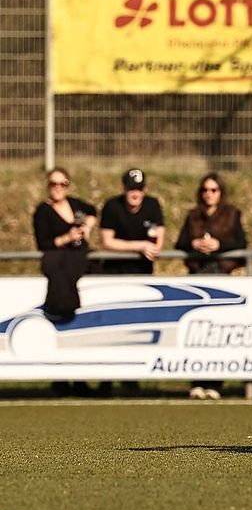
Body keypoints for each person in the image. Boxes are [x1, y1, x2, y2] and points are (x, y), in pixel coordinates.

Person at [175, 172, 248, 400]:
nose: (209, 194)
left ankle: (215, 382)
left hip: (221, 276)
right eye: (205, 190)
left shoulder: (231, 214)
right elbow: (180, 243)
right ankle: (197, 382)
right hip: (198, 277)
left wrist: (219, 244)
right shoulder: (193, 216)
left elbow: (241, 243)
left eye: (214, 190)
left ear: (220, 192)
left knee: (217, 332)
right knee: (197, 332)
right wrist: (194, 244)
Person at [98, 167, 166, 396]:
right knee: (111, 330)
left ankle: (131, 379)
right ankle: (106, 380)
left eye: (138, 189)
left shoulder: (152, 206)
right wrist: (138, 246)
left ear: (144, 190)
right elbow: (107, 242)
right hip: (114, 276)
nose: (134, 193)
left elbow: (157, 242)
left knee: (136, 330)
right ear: (123, 189)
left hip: (141, 277)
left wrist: (147, 246)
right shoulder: (112, 206)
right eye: (130, 189)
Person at [33, 167, 97, 396]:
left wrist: (87, 227)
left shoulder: (76, 204)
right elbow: (43, 243)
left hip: (80, 261)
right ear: (48, 186)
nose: (58, 188)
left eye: (63, 183)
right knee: (61, 305)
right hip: (60, 264)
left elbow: (93, 211)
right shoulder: (43, 211)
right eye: (54, 184)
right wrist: (67, 238)